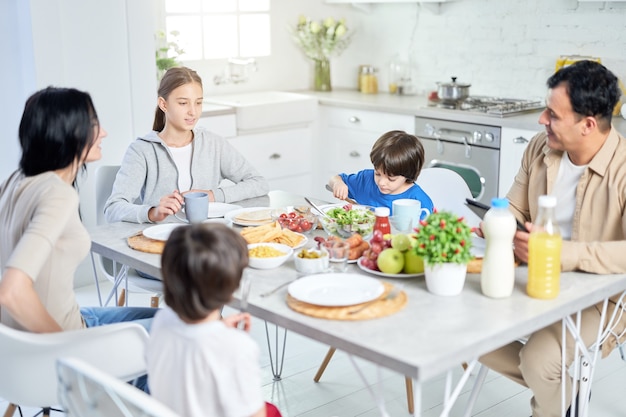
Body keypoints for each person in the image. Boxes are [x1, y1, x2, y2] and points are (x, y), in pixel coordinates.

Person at [478, 60, 626, 417]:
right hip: (531, 275)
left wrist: (562, 254)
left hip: (604, 293)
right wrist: (500, 225)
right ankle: (567, 397)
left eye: (553, 114)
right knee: (460, 332)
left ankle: (554, 404)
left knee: (539, 359)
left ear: (588, 124)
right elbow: (512, 207)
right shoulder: (540, 149)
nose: (542, 120)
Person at [0, 87, 156, 333]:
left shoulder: (14, 180)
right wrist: (69, 345)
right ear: (68, 131)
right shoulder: (57, 194)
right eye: (93, 124)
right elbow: (11, 292)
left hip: (61, 321)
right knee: (189, 330)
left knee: (172, 319)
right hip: (65, 338)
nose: (103, 133)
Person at [146, 223, 281, 417]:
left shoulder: (162, 320)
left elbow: (193, 345)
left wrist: (219, 330)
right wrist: (230, 340)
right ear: (231, 285)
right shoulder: (237, 347)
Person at [104, 66, 269, 224]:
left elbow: (259, 183)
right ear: (163, 104)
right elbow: (113, 208)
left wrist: (212, 195)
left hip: (207, 238)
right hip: (163, 242)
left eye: (198, 103)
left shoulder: (213, 144)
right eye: (183, 103)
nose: (193, 112)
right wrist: (152, 212)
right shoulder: (142, 150)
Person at [328, 130, 433, 215]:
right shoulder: (365, 180)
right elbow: (336, 179)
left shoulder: (418, 201)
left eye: (391, 179)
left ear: (408, 174)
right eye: (377, 173)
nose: (381, 182)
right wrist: (338, 183)